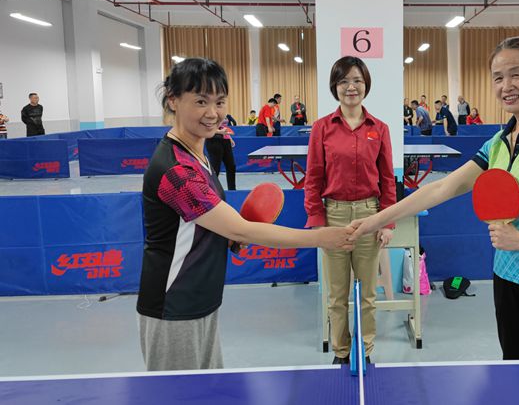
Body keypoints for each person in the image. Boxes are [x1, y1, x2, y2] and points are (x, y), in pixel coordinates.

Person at [349, 37, 519, 361]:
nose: (506, 86)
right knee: (513, 372)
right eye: (498, 77)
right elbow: (441, 188)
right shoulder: (498, 143)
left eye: (516, 74)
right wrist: (375, 220)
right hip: (506, 276)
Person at [137, 57, 354, 371]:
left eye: (220, 102)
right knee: (181, 393)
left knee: (207, 389)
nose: (213, 113)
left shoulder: (198, 155)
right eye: (200, 101)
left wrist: (226, 238)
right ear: (173, 100)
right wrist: (322, 238)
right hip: (173, 305)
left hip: (200, 299)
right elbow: (240, 229)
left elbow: (200, 226)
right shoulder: (176, 170)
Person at [304, 56, 396, 365]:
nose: (351, 87)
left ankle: (364, 351)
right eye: (343, 81)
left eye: (357, 80)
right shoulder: (321, 128)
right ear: (335, 87)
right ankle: (341, 352)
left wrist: (387, 222)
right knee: (337, 294)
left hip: (370, 215)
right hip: (334, 217)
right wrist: (318, 223)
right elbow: (313, 178)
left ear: (366, 84)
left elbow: (387, 179)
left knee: (367, 294)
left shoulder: (379, 129)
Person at [205, 119, 236, 191]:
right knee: (215, 168)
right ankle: (212, 190)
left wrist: (229, 138)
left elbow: (224, 126)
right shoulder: (208, 114)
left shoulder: (225, 114)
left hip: (225, 140)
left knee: (231, 166)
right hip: (214, 140)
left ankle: (232, 190)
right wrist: (219, 132)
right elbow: (205, 128)